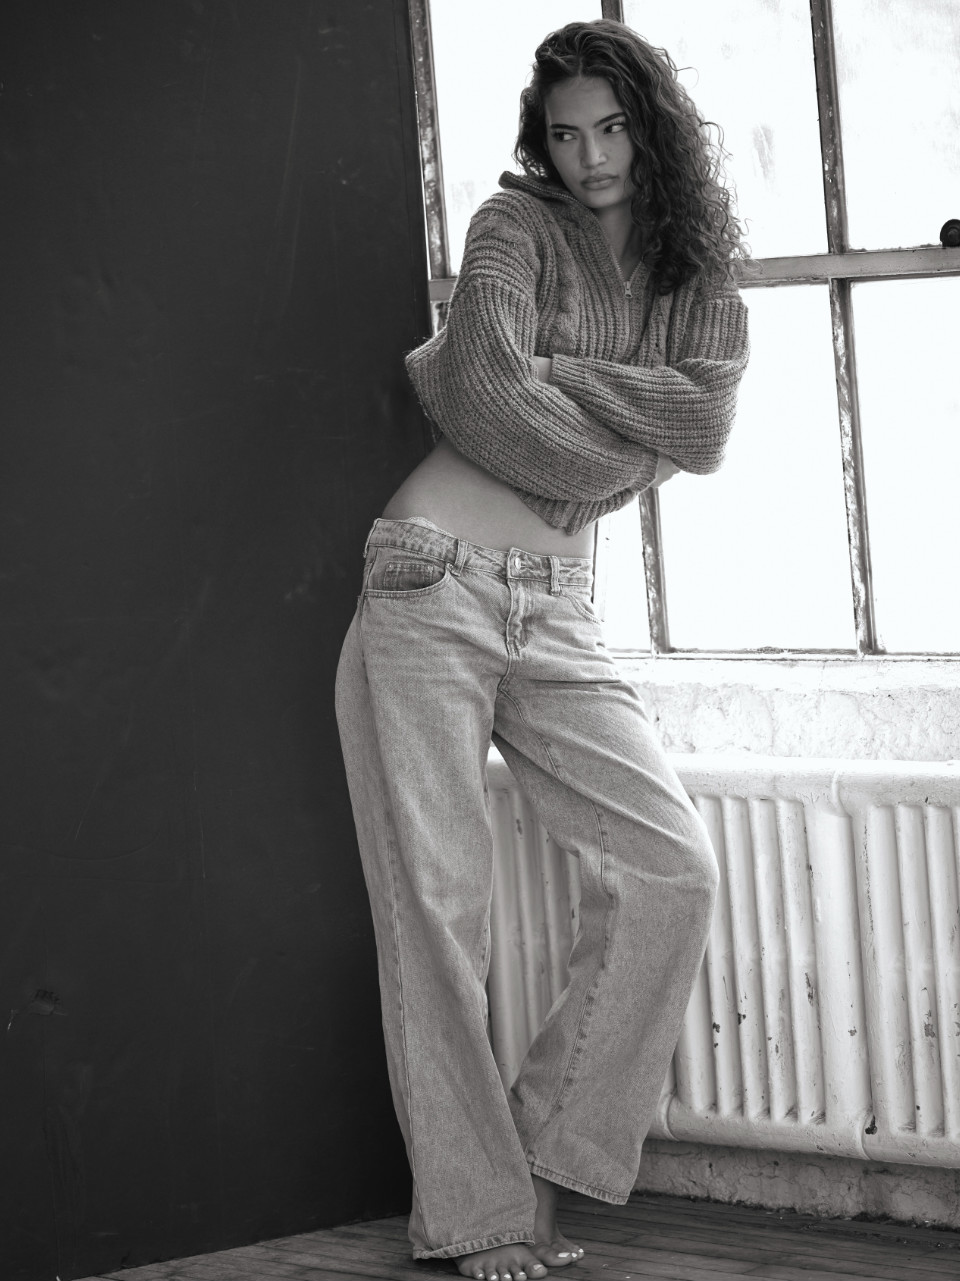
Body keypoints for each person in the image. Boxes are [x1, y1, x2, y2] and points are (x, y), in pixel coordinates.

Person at [335, 19, 748, 1281]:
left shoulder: (699, 284)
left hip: (559, 604)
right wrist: (623, 436)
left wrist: (554, 378)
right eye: (565, 134)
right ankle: (477, 1216)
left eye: (612, 128)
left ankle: (541, 1169)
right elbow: (480, 397)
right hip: (427, 582)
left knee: (671, 869)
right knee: (437, 911)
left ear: (653, 131)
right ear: (542, 141)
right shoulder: (511, 229)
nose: (590, 156)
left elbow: (707, 427)